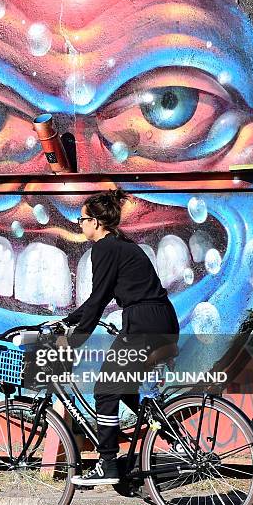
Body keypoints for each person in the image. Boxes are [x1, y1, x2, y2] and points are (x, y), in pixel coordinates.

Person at [56, 188, 180, 485]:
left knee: (105, 389)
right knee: (124, 389)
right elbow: (98, 298)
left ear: (97, 222)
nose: (80, 224)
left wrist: (73, 343)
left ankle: (107, 461)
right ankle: (176, 437)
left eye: (82, 219)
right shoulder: (119, 246)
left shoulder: (105, 248)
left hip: (143, 323)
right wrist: (67, 321)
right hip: (158, 319)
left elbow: (98, 301)